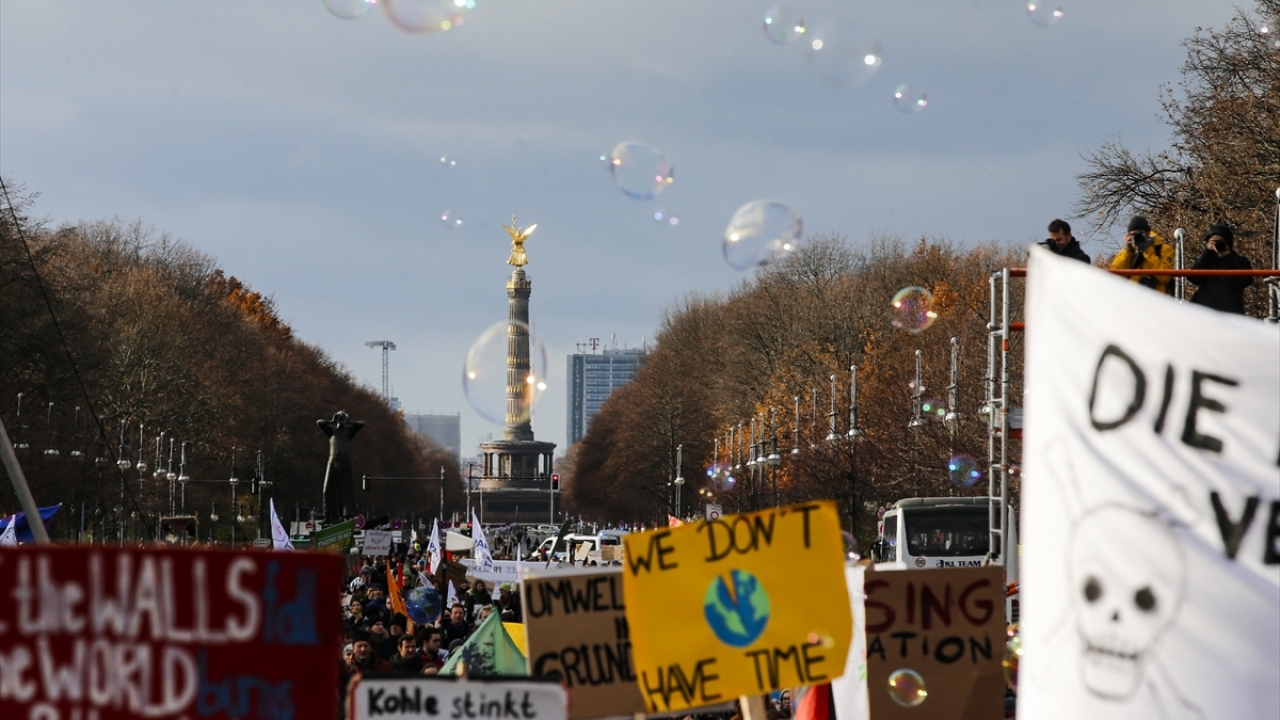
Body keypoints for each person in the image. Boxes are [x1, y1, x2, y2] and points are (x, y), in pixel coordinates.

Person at [1189, 222, 1253, 314]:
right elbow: (1193, 278)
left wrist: (1227, 257)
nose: (1217, 245)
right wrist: (1207, 253)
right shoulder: (1206, 261)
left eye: (1220, 242)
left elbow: (1245, 280)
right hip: (1204, 309)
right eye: (1213, 242)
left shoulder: (1240, 261)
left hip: (1230, 311)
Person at [1111, 215, 1175, 294]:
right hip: (1132, 299)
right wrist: (1128, 250)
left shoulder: (1163, 249)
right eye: (1133, 234)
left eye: (1140, 233)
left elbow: (1165, 277)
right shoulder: (1127, 252)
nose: (1137, 237)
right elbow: (1114, 279)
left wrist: (1147, 250)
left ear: (1148, 233)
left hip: (1158, 300)